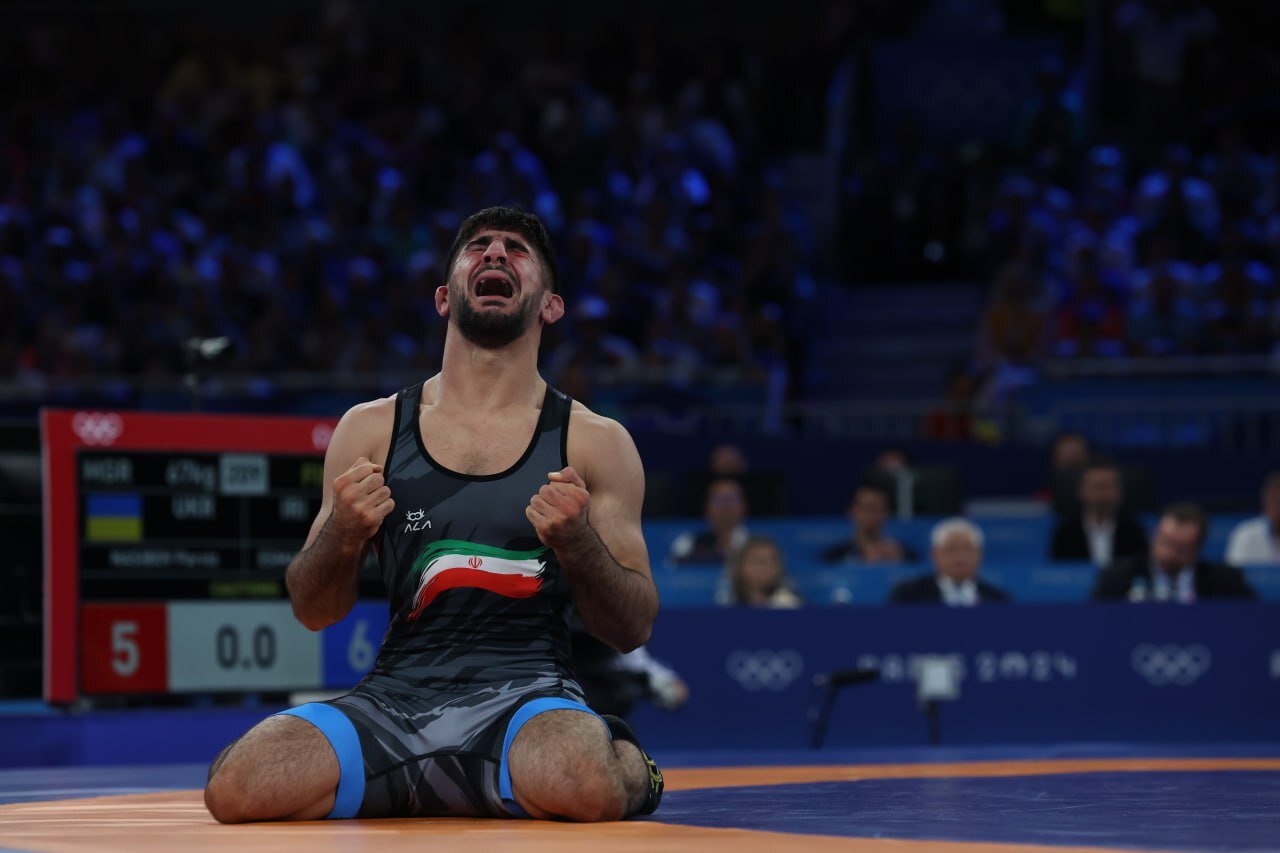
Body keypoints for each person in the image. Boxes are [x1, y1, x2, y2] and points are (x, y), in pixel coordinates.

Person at [204, 207, 663, 824]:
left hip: (526, 700)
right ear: (445, 297)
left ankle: (627, 759)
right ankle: (457, 784)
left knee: (583, 781)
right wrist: (343, 533)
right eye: (479, 246)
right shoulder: (370, 429)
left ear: (551, 306)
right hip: (394, 700)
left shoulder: (594, 441)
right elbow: (314, 610)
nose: (495, 254)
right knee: (238, 786)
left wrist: (578, 542)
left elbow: (632, 627)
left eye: (516, 249)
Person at [1092, 502, 1256, 602]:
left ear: (1197, 549)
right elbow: (1095, 619)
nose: (1168, 554)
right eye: (1165, 543)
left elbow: (1251, 617)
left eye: (1180, 548)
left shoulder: (1225, 582)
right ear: (1154, 537)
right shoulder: (1118, 577)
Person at [1049, 457, 1148, 567]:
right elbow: (1057, 571)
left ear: (1119, 491)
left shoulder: (1134, 531)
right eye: (1096, 487)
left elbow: (1140, 568)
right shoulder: (1065, 532)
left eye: (1106, 487)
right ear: (1081, 490)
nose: (1101, 494)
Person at [888, 518, 1010, 605]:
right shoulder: (909, 595)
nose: (960, 557)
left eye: (967, 549)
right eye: (951, 549)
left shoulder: (997, 599)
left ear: (979, 554)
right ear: (934, 554)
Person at [822, 482, 919, 564]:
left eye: (875, 508)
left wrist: (897, 563)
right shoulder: (835, 557)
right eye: (865, 508)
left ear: (886, 513)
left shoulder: (903, 554)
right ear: (851, 511)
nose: (870, 514)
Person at [668, 476, 749, 566]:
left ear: (744, 506)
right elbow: (672, 569)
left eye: (732, 499)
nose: (725, 506)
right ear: (706, 507)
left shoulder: (753, 543)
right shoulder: (687, 544)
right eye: (719, 500)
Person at [721, 535, 802, 608]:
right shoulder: (727, 603)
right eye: (758, 561)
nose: (766, 567)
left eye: (773, 561)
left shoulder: (790, 604)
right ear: (740, 566)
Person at [1225, 471, 1280, 566]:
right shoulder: (1245, 535)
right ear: (1265, 503)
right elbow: (1233, 573)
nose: (1278, 508)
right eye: (1275, 501)